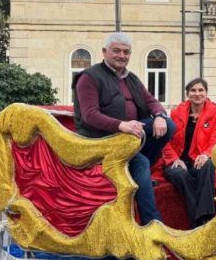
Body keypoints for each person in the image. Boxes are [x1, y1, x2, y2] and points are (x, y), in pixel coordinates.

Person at [72, 32, 175, 225]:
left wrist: (160, 115)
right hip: (101, 140)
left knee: (168, 125)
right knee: (141, 162)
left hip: (130, 139)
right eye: (117, 51)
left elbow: (151, 101)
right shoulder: (89, 77)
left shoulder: (131, 78)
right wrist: (121, 125)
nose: (122, 55)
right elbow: (89, 115)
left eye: (126, 52)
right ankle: (152, 225)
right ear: (104, 52)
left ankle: (134, 163)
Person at [160, 78, 216, 227]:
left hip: (198, 159)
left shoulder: (214, 111)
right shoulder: (177, 112)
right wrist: (174, 159)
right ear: (188, 94)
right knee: (179, 173)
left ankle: (205, 216)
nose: (197, 94)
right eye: (193, 91)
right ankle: (199, 220)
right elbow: (166, 141)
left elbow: (215, 139)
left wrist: (206, 154)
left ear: (206, 93)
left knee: (208, 165)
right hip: (178, 160)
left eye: (201, 90)